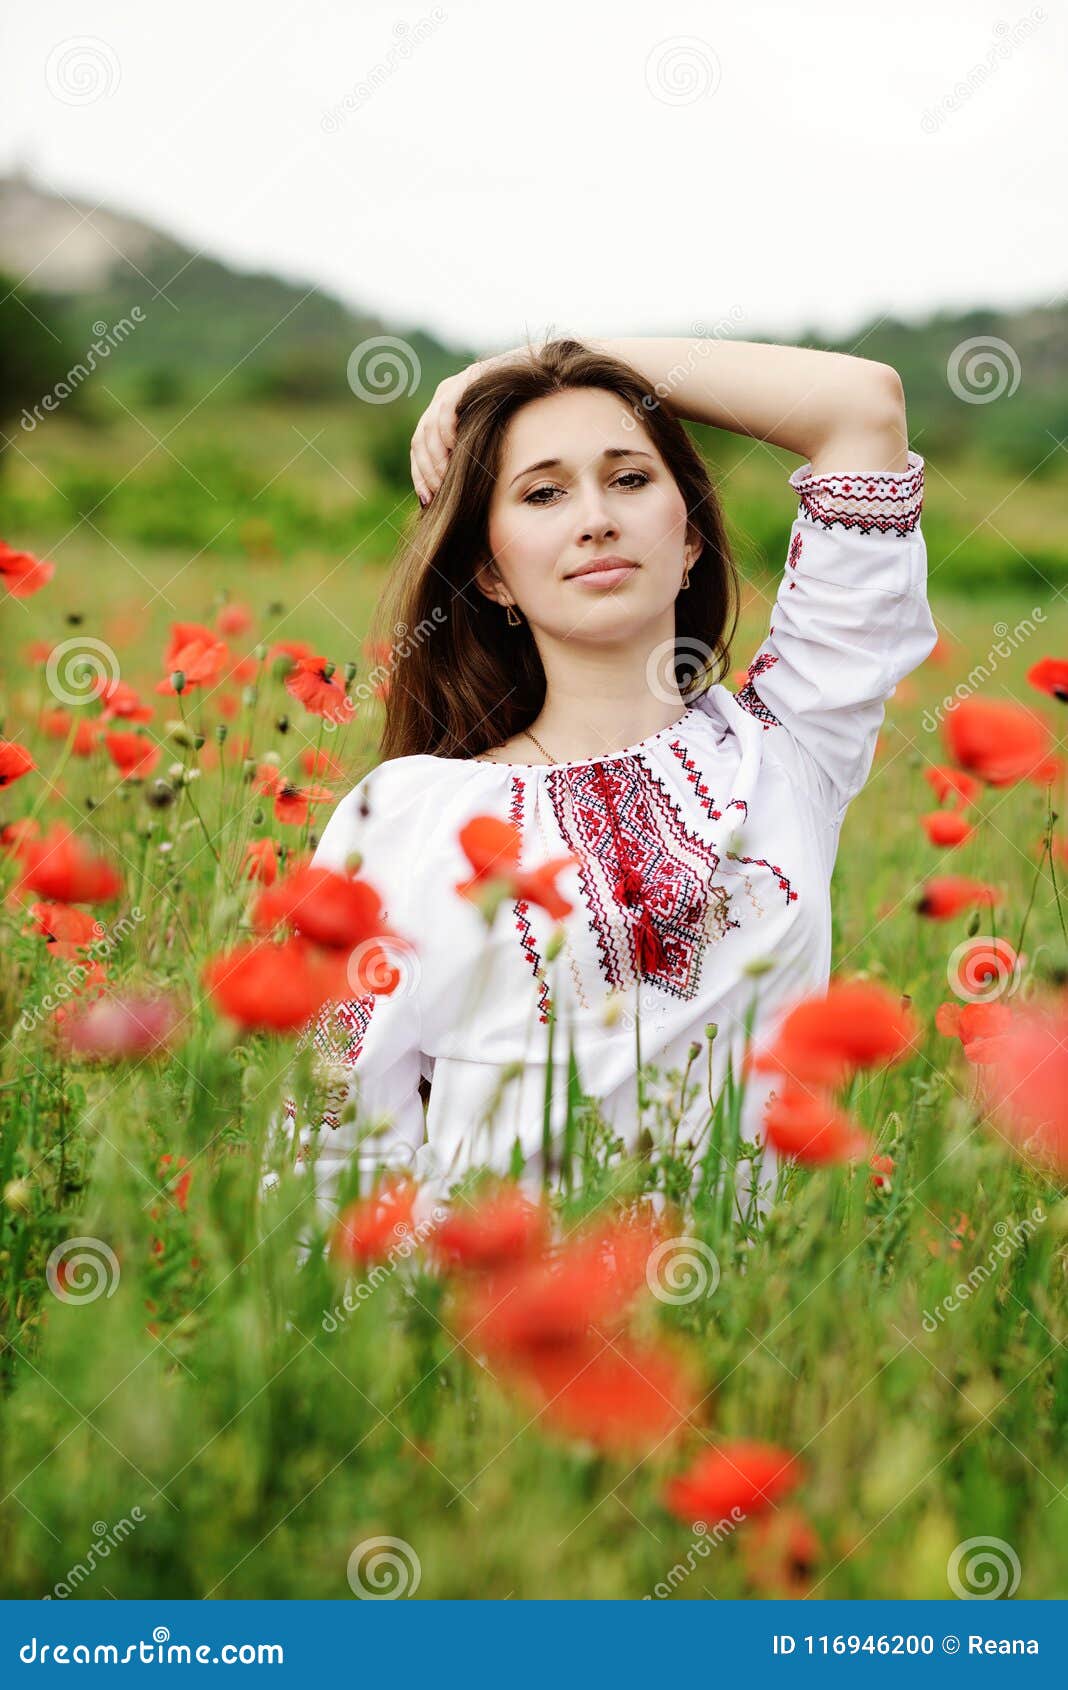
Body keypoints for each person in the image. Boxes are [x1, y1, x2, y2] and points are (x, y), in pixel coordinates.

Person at [287, 335, 936, 1219]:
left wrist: (542, 354)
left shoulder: (786, 750)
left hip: (746, 1330)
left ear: (694, 538)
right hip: (488, 1322)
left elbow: (862, 405)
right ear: (490, 573)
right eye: (544, 492)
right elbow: (328, 1136)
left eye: (629, 478)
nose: (595, 516)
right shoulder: (407, 813)